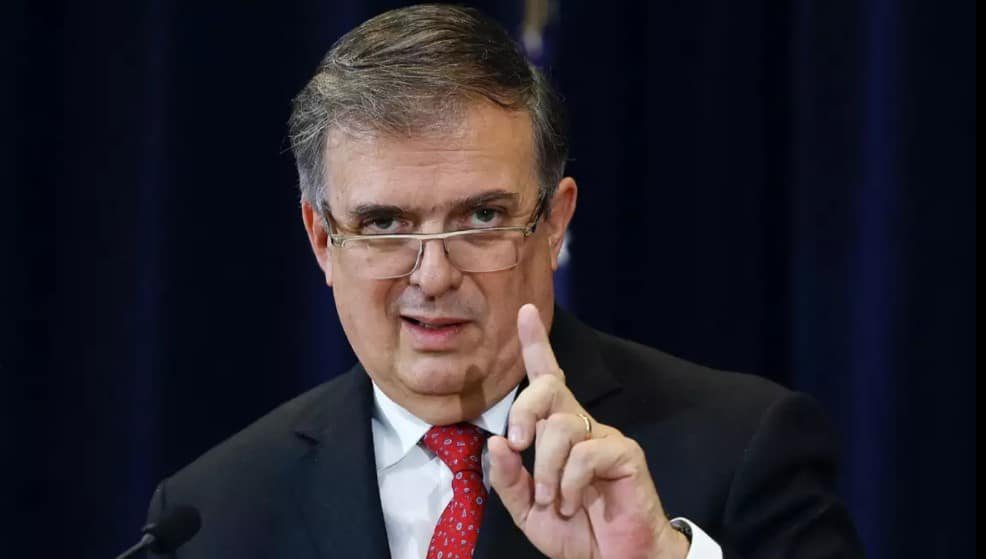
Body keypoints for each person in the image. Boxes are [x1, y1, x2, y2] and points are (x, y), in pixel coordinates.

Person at [146, 5, 864, 558]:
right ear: (321, 240)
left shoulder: (741, 449)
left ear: (554, 223)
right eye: (385, 224)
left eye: (481, 217)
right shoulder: (214, 513)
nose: (433, 275)